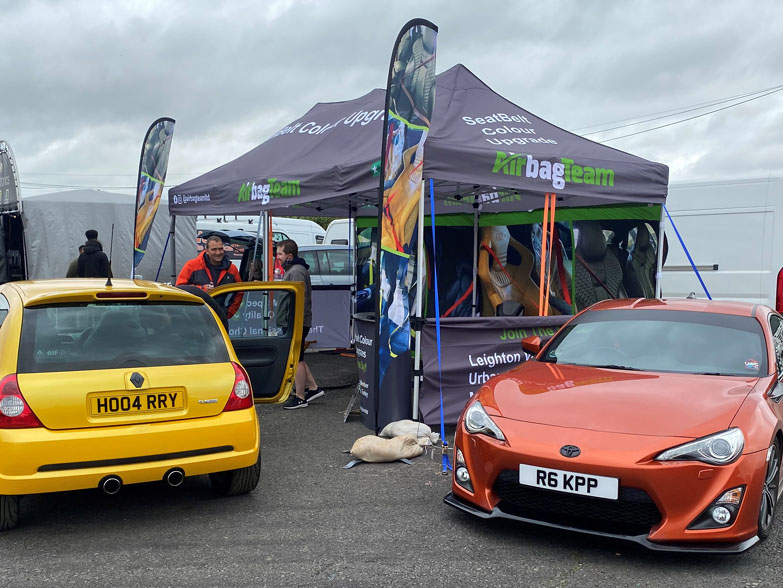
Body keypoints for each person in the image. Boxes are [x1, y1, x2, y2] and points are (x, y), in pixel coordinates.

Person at [276, 239, 323, 410]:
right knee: (299, 357)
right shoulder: (294, 269)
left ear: (289, 255)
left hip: (296, 322)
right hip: (295, 321)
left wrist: (293, 322)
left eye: (279, 253)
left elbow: (299, 301)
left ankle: (300, 396)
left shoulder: (296, 272)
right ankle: (313, 388)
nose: (277, 257)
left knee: (296, 359)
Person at [176, 235, 242, 317]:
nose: (218, 252)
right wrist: (201, 289)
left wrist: (229, 312)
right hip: (194, 316)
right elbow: (179, 289)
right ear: (207, 251)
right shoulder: (191, 266)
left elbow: (239, 291)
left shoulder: (232, 269)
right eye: (214, 249)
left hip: (219, 317)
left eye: (220, 249)